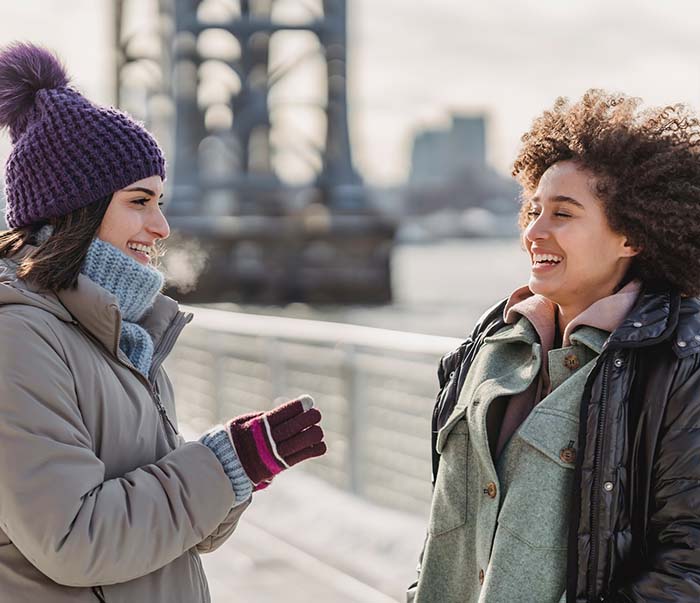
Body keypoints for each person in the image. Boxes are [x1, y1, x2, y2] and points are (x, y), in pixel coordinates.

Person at [0, 42, 326, 602]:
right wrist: (224, 466)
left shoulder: (121, 334)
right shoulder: (18, 339)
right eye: (140, 201)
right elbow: (78, 539)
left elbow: (169, 531)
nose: (162, 226)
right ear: (74, 209)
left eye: (160, 201)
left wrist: (241, 465)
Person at [408, 89, 700, 602]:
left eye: (563, 214)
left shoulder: (679, 364)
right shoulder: (485, 346)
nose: (534, 231)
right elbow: (447, 529)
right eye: (534, 209)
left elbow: (688, 565)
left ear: (632, 235)